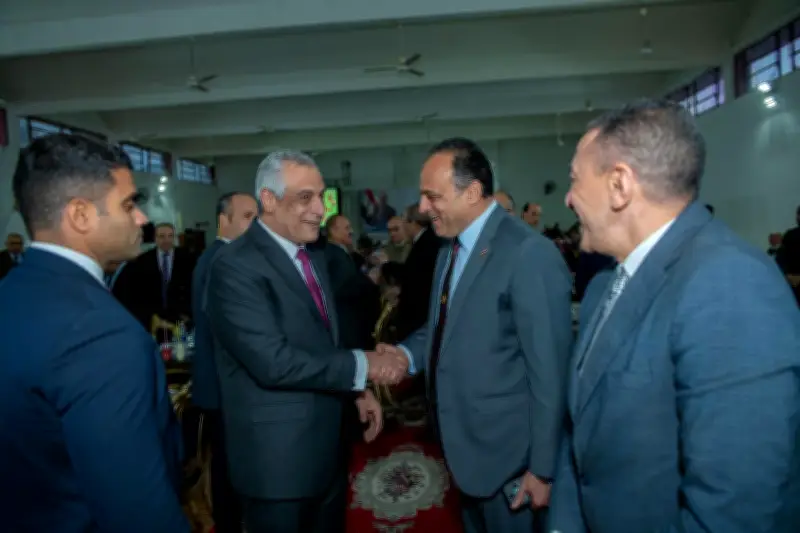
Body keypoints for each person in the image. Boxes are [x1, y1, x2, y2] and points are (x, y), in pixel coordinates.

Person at [548, 99, 800, 533]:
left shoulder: (729, 284)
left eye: (575, 179)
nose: (568, 198)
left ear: (619, 185)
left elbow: (732, 506)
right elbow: (579, 437)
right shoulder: (604, 285)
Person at [205, 149, 408, 533]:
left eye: (320, 196)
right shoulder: (235, 267)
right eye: (305, 198)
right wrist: (363, 364)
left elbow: (319, 343)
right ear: (268, 200)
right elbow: (273, 362)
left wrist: (355, 391)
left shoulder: (312, 256)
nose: (319, 210)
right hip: (278, 462)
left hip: (327, 449)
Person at [380, 137, 573, 533]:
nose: (422, 208)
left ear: (471, 193)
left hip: (511, 463)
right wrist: (406, 355)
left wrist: (543, 469)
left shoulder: (527, 253)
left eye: (433, 197)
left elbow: (550, 374)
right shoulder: (449, 249)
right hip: (463, 452)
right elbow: (445, 328)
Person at [0, 134, 189, 532]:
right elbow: (136, 508)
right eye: (128, 204)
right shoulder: (100, 333)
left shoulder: (12, 291)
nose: (142, 219)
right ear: (81, 215)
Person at [191, 191, 258, 533]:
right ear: (224, 220)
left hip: (224, 383)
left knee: (231, 462)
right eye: (247, 217)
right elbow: (226, 330)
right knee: (228, 467)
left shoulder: (224, 256)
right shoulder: (221, 260)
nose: (255, 225)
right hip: (224, 385)